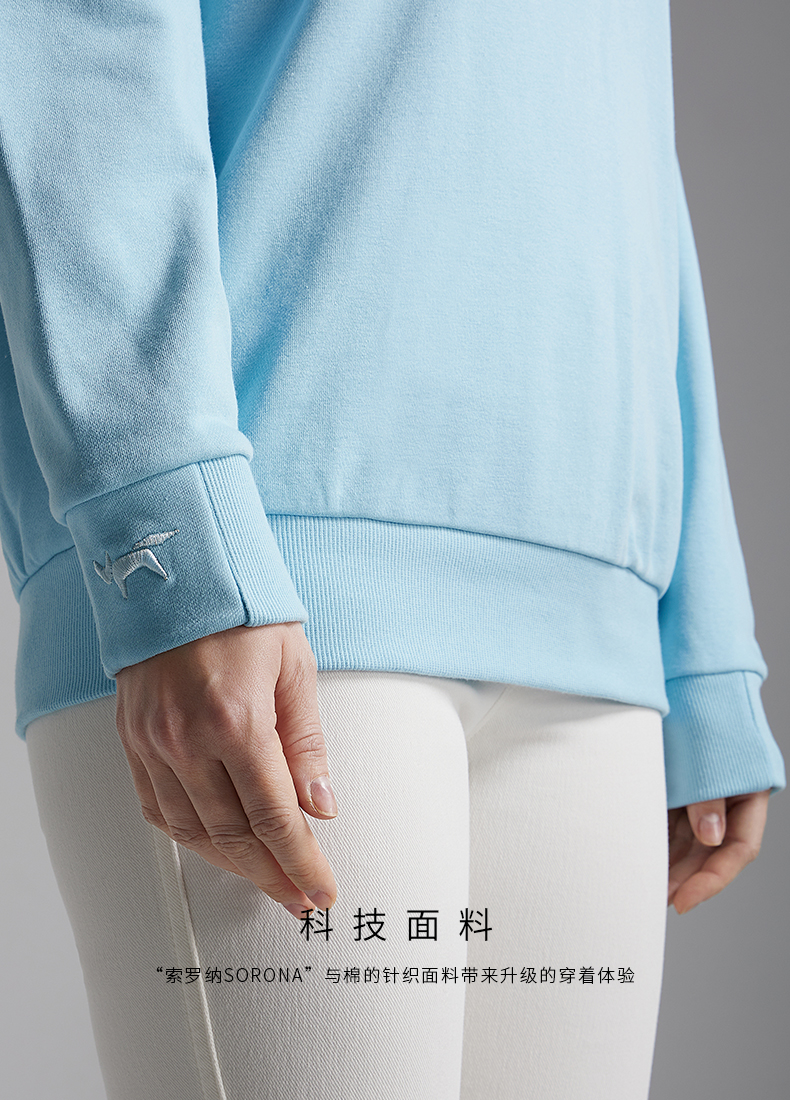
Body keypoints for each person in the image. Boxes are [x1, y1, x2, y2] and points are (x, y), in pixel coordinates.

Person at [0, 1, 785, 1098]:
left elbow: (625, 117)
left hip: (595, 596)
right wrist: (165, 529)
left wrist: (698, 630)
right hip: (270, 560)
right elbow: (69, 41)